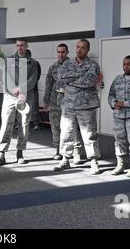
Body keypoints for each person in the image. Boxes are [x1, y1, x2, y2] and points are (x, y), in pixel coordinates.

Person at [54, 39, 101, 174]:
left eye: (83, 48)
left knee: (89, 134)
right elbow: (61, 77)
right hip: (68, 104)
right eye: (78, 47)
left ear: (87, 50)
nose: (79, 50)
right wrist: (79, 75)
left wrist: (71, 81)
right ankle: (65, 159)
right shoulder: (67, 63)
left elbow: (89, 81)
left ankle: (93, 161)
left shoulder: (93, 65)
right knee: (66, 132)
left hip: (86, 105)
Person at [0, 39, 38, 166]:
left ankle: (20, 153)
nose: (20, 48)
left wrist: (21, 89)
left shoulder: (33, 63)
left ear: (27, 46)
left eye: (22, 45)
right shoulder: (8, 60)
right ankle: (1, 153)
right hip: (9, 96)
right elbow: (6, 77)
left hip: (26, 96)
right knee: (6, 123)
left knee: (23, 124)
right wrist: (14, 90)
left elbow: (33, 79)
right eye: (17, 45)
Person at [43, 44, 84, 162]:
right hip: (55, 102)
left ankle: (76, 152)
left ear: (67, 53)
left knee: (72, 127)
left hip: (70, 102)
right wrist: (46, 101)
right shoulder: (53, 67)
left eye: (63, 52)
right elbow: (48, 85)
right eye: (59, 52)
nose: (61, 54)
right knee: (55, 127)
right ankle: (57, 150)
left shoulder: (74, 66)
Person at [108, 56, 130, 176]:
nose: (126, 66)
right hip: (118, 116)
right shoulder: (117, 79)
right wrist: (114, 104)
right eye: (124, 64)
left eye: (129, 64)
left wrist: (124, 104)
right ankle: (120, 164)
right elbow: (111, 95)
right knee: (119, 140)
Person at [26, 49, 43, 131]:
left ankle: (36, 124)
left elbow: (38, 76)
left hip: (33, 89)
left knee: (34, 107)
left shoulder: (35, 64)